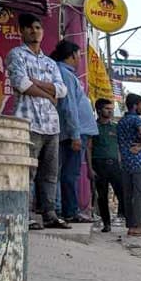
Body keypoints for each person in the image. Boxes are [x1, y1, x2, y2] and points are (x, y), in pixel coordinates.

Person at [5, 13, 69, 229]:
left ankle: (50, 215)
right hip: (28, 122)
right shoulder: (16, 55)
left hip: (51, 124)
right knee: (27, 172)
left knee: (50, 174)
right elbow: (21, 83)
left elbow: (62, 90)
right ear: (22, 31)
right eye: (30, 28)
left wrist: (37, 83)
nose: (35, 31)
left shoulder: (50, 62)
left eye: (38, 27)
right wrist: (48, 93)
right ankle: (25, 214)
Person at [50, 40, 97, 224]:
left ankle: (66, 209)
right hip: (74, 133)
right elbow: (69, 106)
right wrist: (75, 135)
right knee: (70, 174)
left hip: (74, 131)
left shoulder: (66, 74)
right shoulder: (65, 74)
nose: (79, 59)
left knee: (68, 173)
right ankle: (70, 211)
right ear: (71, 56)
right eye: (78, 55)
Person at [117, 93, 141, 237]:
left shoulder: (121, 121)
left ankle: (131, 225)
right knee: (140, 194)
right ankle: (137, 226)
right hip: (138, 161)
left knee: (128, 194)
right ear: (135, 105)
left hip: (125, 161)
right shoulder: (136, 119)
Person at [87, 98, 123, 232]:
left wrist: (120, 163)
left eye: (111, 109)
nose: (110, 111)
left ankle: (129, 220)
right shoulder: (93, 127)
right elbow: (89, 148)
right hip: (99, 165)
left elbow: (119, 147)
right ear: (99, 110)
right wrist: (90, 168)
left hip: (114, 165)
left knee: (122, 193)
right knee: (102, 196)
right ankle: (106, 223)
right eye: (107, 109)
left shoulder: (115, 127)